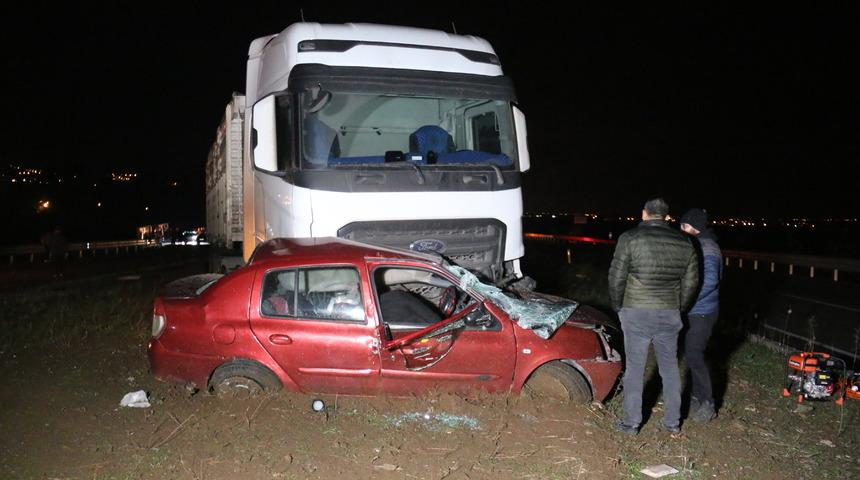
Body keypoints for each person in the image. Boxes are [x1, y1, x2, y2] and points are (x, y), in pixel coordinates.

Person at [608, 198, 699, 435]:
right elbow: (691, 283)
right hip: (669, 312)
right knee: (669, 368)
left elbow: (616, 277)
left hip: (635, 311)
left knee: (635, 368)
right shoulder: (686, 243)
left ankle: (631, 424)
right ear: (667, 217)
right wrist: (680, 308)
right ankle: (672, 422)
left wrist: (618, 306)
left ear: (644, 214)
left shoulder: (629, 238)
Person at [679, 208, 722, 422]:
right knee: (691, 354)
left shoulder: (708, 248)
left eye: (684, 226)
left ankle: (708, 403)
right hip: (693, 310)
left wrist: (686, 298)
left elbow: (710, 281)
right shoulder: (697, 244)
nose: (681, 229)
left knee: (695, 356)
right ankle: (697, 397)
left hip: (702, 312)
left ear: (694, 227)